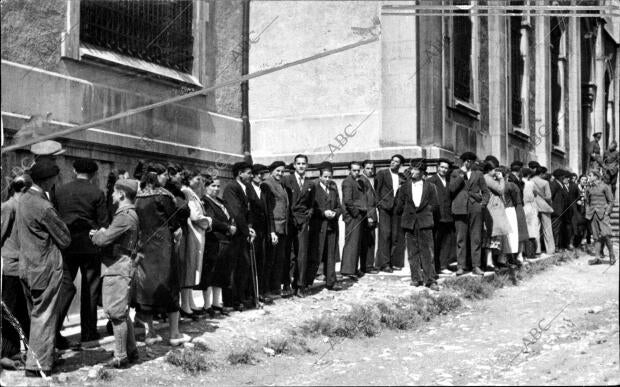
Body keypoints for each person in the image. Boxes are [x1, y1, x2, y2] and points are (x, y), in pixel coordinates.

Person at [19, 158, 71, 377]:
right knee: (44, 316)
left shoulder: (23, 199)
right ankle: (38, 365)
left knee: (35, 315)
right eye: (55, 178)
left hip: (27, 266)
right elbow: (65, 238)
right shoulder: (43, 205)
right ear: (49, 180)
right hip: (44, 267)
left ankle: (37, 358)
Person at [53, 158, 108, 345]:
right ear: (93, 175)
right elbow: (103, 223)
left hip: (66, 246)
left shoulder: (60, 191)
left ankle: (53, 331)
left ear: (74, 170)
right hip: (91, 247)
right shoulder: (97, 192)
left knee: (65, 288)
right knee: (91, 289)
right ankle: (89, 333)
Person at [135, 163, 189, 346]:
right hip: (163, 246)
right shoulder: (164, 196)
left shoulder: (138, 197)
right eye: (164, 174)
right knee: (170, 284)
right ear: (156, 176)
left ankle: (151, 333)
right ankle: (174, 334)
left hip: (145, 245)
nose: (167, 177)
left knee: (147, 287)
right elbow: (173, 222)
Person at [90, 179, 141, 368]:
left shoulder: (124, 216)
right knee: (123, 312)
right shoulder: (129, 214)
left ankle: (120, 356)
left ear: (121, 194)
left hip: (117, 267)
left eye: (114, 192)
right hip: (122, 265)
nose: (111, 195)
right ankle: (132, 351)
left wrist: (96, 234)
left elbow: (103, 240)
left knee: (116, 313)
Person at [1, 173, 32, 367]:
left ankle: (15, 352)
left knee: (18, 310)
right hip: (11, 266)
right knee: (12, 310)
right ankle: (6, 352)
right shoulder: (9, 207)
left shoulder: (18, 206)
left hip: (19, 266)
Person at [395, 159, 439, 289]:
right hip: (410, 223)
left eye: (414, 169)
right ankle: (416, 278)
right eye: (411, 168)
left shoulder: (430, 187)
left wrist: (425, 213)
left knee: (427, 252)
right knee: (412, 252)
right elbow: (399, 206)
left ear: (421, 172)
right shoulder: (404, 187)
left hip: (425, 222)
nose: (411, 171)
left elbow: (435, 205)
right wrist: (407, 214)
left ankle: (430, 280)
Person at [198, 176, 236, 317]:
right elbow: (211, 220)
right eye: (213, 186)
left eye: (218, 186)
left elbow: (230, 216)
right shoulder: (205, 202)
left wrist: (232, 225)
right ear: (206, 187)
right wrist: (227, 227)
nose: (216, 189)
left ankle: (216, 302)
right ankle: (207, 305)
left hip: (225, 241)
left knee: (221, 273)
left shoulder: (220, 201)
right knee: (210, 273)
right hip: (213, 240)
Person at [178, 170, 212, 320]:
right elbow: (195, 216)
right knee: (189, 268)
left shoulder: (192, 192)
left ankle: (189, 302)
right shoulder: (187, 192)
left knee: (192, 268)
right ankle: (185, 305)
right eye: (196, 178)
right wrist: (209, 221)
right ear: (189, 179)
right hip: (192, 232)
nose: (199, 181)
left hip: (196, 233)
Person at [222, 162, 257, 309]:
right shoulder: (232, 187)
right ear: (239, 173)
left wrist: (250, 227)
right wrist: (245, 229)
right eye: (248, 173)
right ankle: (231, 301)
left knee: (243, 266)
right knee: (233, 267)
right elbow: (236, 212)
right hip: (234, 234)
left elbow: (248, 211)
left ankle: (239, 298)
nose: (251, 176)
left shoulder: (246, 188)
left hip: (243, 232)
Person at [450, 152, 489, 276]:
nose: (468, 163)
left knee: (476, 237)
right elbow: (452, 189)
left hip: (475, 208)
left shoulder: (478, 174)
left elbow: (486, 192)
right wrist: (462, 174)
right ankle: (461, 266)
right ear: (462, 161)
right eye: (466, 160)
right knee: (461, 238)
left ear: (473, 162)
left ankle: (476, 266)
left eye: (471, 161)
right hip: (460, 208)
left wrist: (482, 204)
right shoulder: (456, 173)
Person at [282, 155, 314, 298]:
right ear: (294, 165)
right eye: (298, 164)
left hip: (303, 221)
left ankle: (300, 285)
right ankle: (287, 284)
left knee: (302, 253)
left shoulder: (310, 184)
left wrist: (308, 215)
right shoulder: (287, 180)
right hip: (290, 220)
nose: (301, 166)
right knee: (289, 253)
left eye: (304, 164)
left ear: (307, 166)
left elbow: (311, 204)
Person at [307, 162, 343, 290]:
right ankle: (307, 282)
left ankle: (330, 281)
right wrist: (323, 213)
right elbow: (311, 207)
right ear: (320, 176)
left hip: (332, 226)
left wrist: (335, 213)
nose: (328, 179)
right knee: (315, 254)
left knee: (331, 254)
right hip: (319, 227)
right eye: (325, 177)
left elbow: (339, 206)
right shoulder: (314, 187)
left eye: (330, 177)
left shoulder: (333, 188)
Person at [246, 164, 276, 304]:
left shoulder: (265, 189)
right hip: (252, 231)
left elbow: (269, 211)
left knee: (263, 261)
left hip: (264, 231)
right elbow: (247, 211)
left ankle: (262, 292)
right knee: (252, 262)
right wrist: (248, 227)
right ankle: (250, 294)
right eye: (257, 174)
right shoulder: (247, 188)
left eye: (262, 174)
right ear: (252, 174)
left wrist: (272, 230)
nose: (260, 176)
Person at [262, 161, 290, 298]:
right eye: (278, 171)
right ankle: (267, 288)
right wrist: (272, 229)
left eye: (282, 171)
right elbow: (268, 208)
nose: (280, 173)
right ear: (272, 171)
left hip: (283, 226)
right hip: (274, 226)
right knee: (271, 259)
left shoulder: (281, 184)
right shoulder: (267, 184)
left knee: (279, 259)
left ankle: (275, 287)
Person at [374, 154, 406, 272]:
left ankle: (391, 262)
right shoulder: (382, 173)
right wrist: (379, 205)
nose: (393, 163)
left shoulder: (401, 176)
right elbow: (376, 191)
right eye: (392, 160)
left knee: (394, 236)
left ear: (400, 165)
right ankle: (384, 263)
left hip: (396, 209)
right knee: (385, 235)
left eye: (396, 162)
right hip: (385, 208)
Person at [427, 158, 456, 275]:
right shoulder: (431, 180)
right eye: (442, 167)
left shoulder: (449, 181)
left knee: (446, 242)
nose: (444, 170)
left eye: (446, 168)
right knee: (435, 242)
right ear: (437, 167)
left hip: (448, 216)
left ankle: (443, 265)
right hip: (436, 217)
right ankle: (434, 266)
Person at [340, 161, 369, 280]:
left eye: (358, 170)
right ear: (349, 170)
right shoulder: (347, 182)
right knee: (351, 243)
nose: (357, 172)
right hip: (353, 216)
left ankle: (352, 268)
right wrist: (356, 213)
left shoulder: (358, 181)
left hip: (358, 216)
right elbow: (348, 201)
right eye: (354, 170)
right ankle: (348, 270)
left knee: (356, 243)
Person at [482, 156, 510, 269]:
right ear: (490, 169)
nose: (496, 172)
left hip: (495, 208)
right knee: (490, 235)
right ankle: (489, 262)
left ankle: (493, 260)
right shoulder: (487, 178)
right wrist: (502, 179)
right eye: (494, 170)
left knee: (494, 236)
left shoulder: (490, 178)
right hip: (492, 208)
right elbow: (501, 190)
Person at [586, 170, 616, 265]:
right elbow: (587, 201)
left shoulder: (605, 186)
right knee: (596, 237)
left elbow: (611, 201)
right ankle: (597, 258)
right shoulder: (589, 188)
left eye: (590, 175)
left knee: (606, 235)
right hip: (593, 214)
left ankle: (612, 255)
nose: (589, 177)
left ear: (596, 176)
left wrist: (607, 212)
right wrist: (588, 211)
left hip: (603, 214)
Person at [501, 166, 527, 265]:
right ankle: (511, 256)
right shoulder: (511, 186)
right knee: (512, 234)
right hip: (512, 209)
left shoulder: (498, 185)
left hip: (502, 210)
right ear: (507, 175)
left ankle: (503, 257)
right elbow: (517, 200)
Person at [529, 161, 555, 255]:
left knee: (536, 228)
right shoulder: (545, 182)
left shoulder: (530, 181)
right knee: (547, 229)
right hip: (544, 207)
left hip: (534, 206)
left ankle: (537, 250)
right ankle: (550, 249)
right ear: (541, 173)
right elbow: (548, 197)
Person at [359, 160, 379, 274]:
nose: (370, 170)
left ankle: (368, 265)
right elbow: (364, 201)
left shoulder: (370, 180)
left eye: (372, 168)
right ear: (363, 169)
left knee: (370, 241)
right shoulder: (362, 180)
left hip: (372, 214)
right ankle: (367, 266)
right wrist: (368, 216)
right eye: (368, 168)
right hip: (368, 215)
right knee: (367, 242)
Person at [521, 168, 540, 258]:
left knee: (524, 230)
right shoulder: (531, 184)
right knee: (532, 231)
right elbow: (535, 194)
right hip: (530, 206)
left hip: (522, 206)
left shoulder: (521, 182)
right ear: (528, 175)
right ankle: (531, 252)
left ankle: (523, 252)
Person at [550, 169, 570, 251]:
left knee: (559, 229)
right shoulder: (554, 185)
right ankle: (555, 246)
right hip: (556, 211)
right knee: (555, 229)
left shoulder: (560, 185)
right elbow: (550, 197)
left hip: (561, 211)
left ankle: (559, 245)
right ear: (560, 177)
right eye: (563, 176)